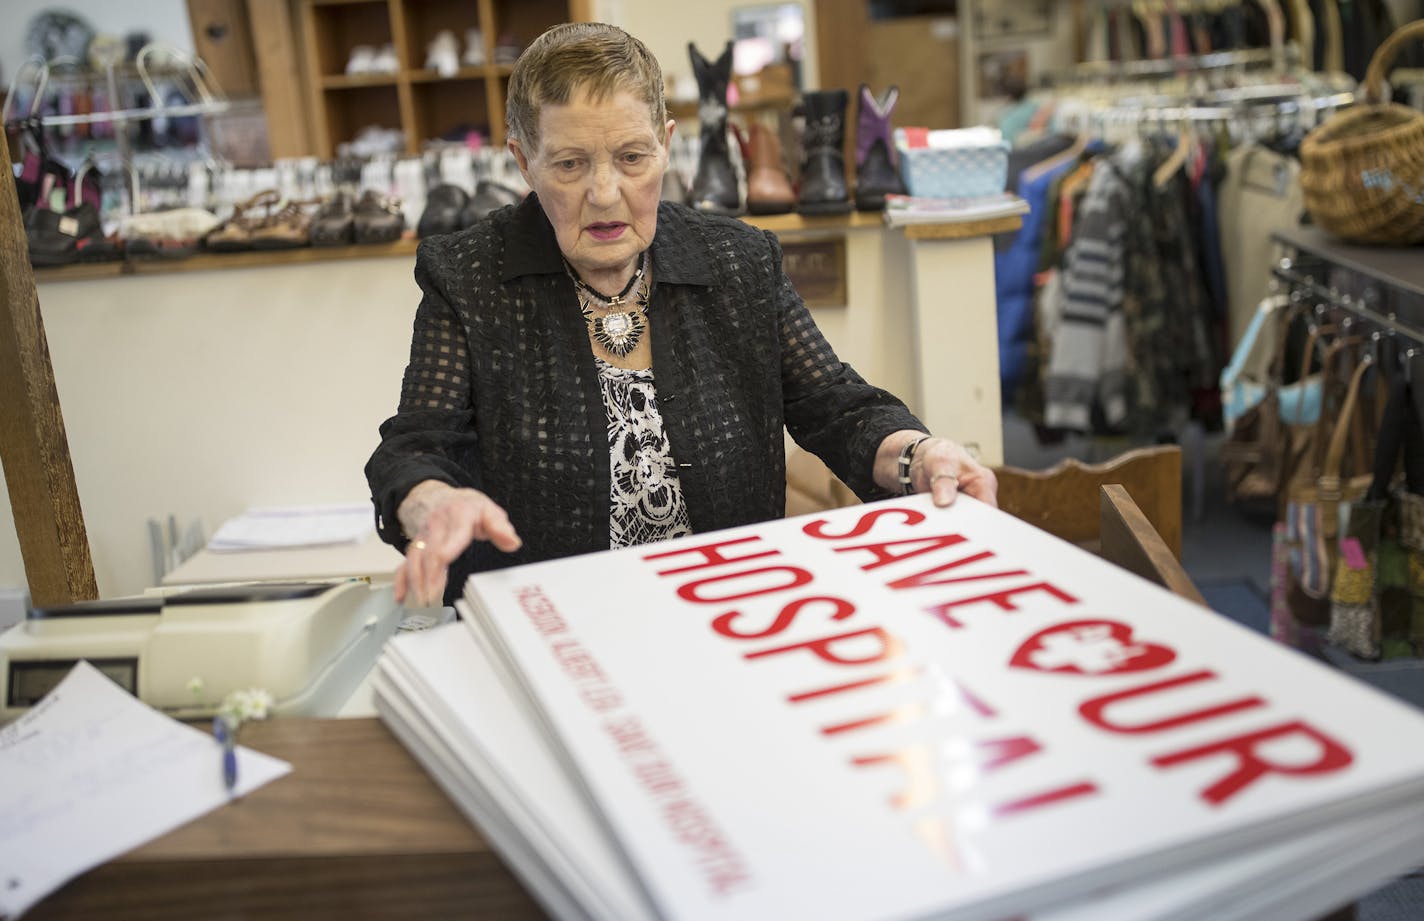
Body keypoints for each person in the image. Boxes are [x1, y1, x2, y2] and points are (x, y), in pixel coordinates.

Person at [365, 22, 997, 608]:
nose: (606, 193)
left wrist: (919, 455)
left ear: (667, 147)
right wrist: (432, 502)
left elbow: (837, 407)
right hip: (557, 624)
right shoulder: (471, 277)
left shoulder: (737, 261)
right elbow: (416, 448)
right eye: (569, 164)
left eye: (632, 157)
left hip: (731, 608)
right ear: (523, 161)